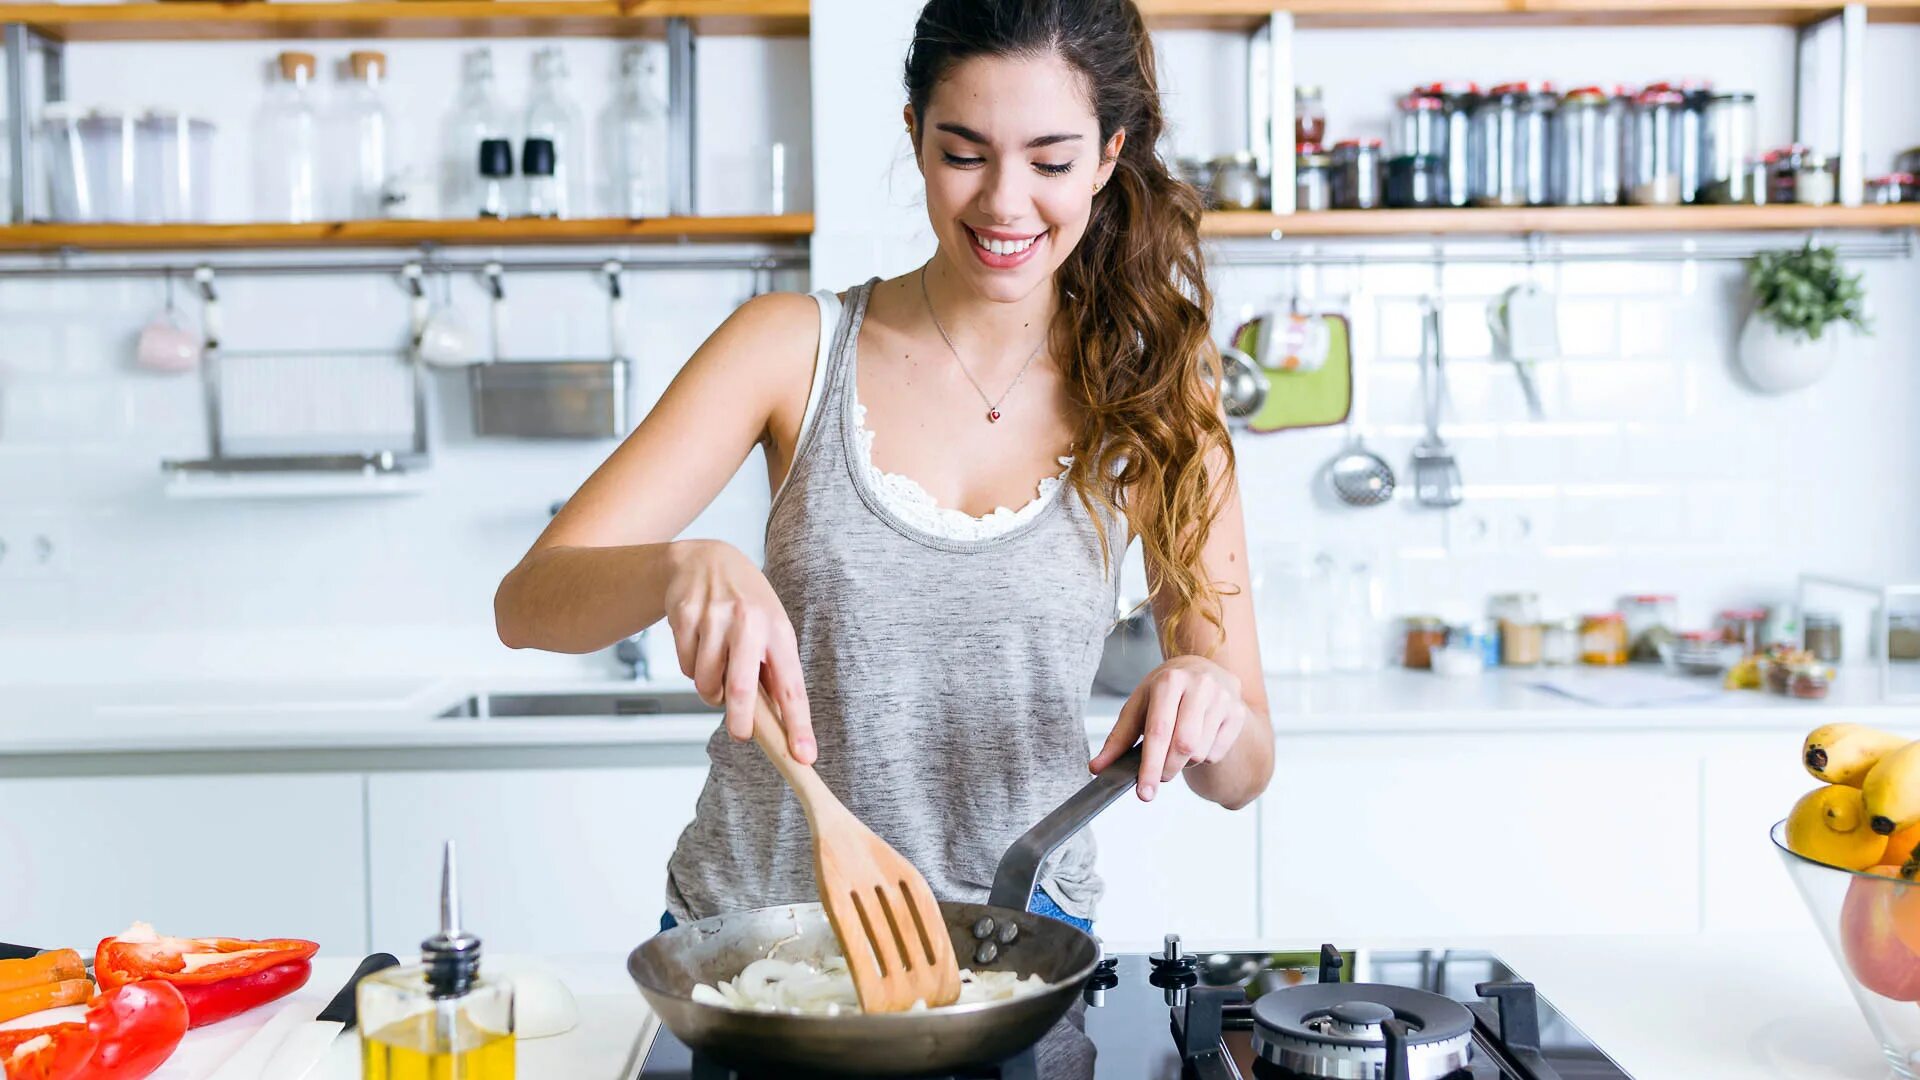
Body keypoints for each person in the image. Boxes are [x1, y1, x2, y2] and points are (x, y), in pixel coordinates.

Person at [494, 0, 1274, 935]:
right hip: (759, 935)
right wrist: (675, 567)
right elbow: (526, 604)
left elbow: (1243, 773)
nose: (1004, 203)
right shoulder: (787, 347)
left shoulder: (1154, 393)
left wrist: (1212, 704)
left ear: (1109, 155)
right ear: (914, 135)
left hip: (1019, 942)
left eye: (1052, 162)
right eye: (965, 153)